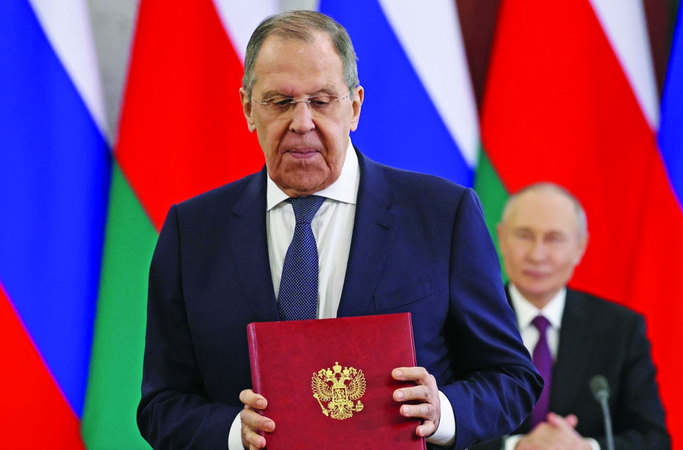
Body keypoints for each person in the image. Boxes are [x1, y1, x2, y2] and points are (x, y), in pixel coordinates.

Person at [136, 10, 541, 450]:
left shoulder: (442, 215)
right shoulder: (192, 232)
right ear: (249, 108)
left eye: (322, 100)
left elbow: (512, 379)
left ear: (355, 106)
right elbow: (161, 405)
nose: (302, 122)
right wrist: (235, 432)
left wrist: (441, 411)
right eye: (280, 102)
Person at [472, 183, 669, 450]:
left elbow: (654, 440)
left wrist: (586, 448)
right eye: (524, 236)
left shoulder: (620, 329)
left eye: (554, 239)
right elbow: (436, 428)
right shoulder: (466, 320)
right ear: (501, 238)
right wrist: (514, 446)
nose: (537, 255)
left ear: (580, 246)